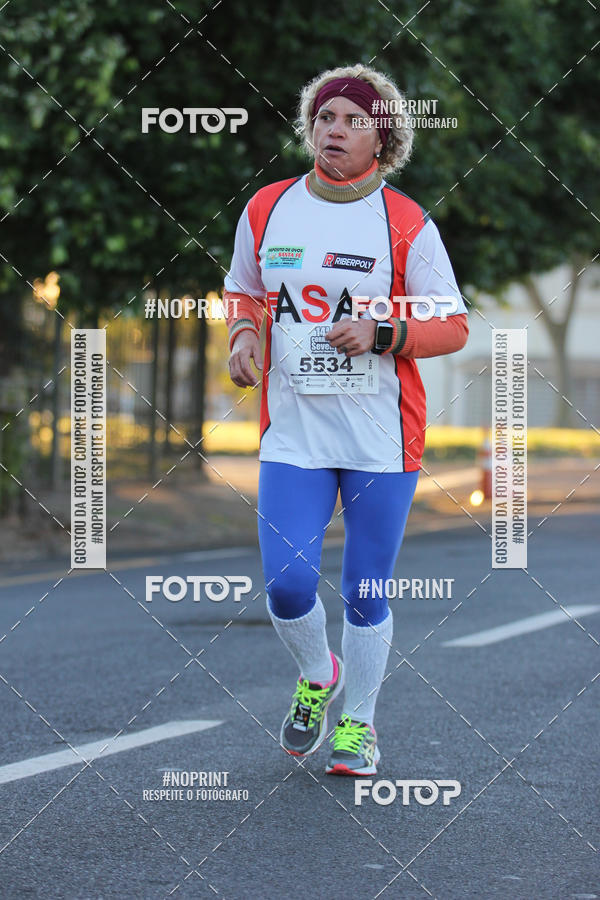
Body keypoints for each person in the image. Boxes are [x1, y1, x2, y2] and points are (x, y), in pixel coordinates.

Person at [223, 63, 468, 776]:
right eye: (324, 117)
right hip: (294, 432)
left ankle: (358, 724)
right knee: (289, 586)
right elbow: (243, 288)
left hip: (380, 437)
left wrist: (384, 331)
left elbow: (450, 323)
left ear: (381, 140)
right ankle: (317, 673)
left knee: (365, 589)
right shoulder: (268, 207)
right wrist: (242, 335)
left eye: (352, 120)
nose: (333, 129)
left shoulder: (405, 222)